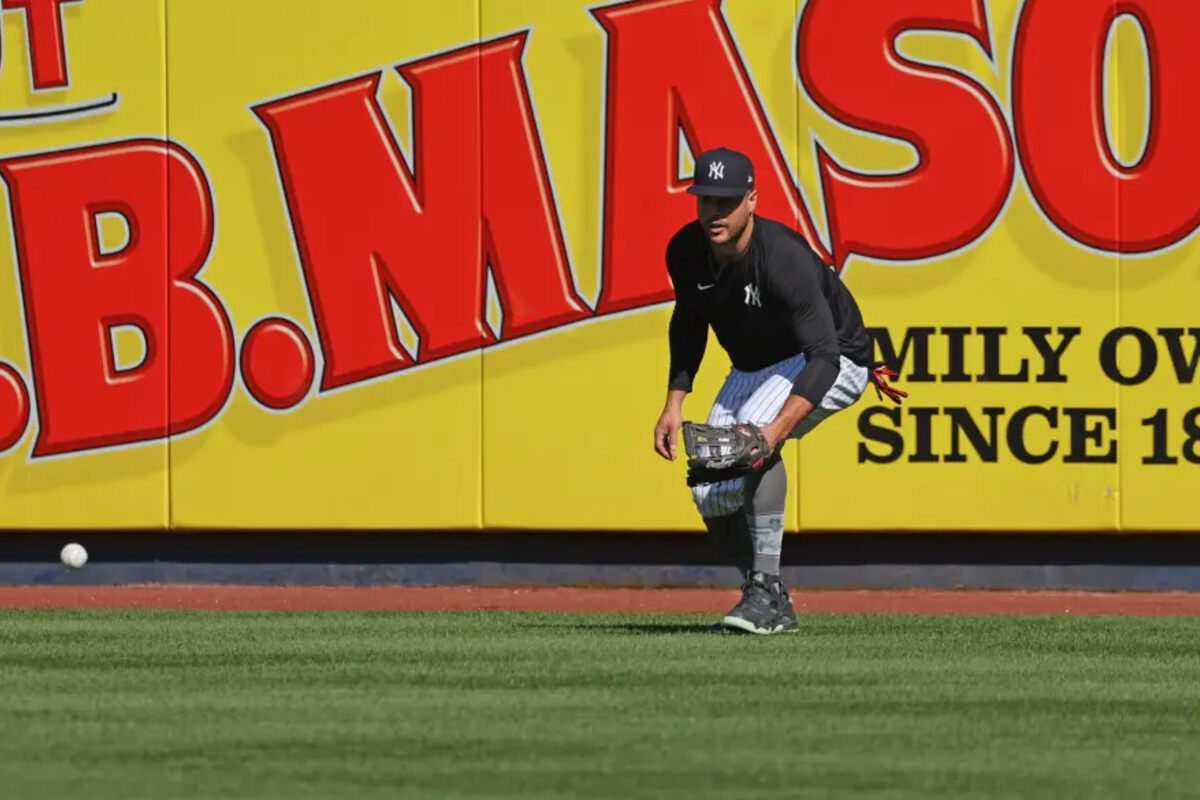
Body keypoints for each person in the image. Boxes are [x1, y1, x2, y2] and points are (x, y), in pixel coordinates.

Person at [652, 146, 902, 634]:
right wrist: (674, 402)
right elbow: (688, 322)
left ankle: (764, 593)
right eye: (706, 200)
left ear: (752, 201)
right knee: (710, 488)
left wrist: (772, 433)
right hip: (755, 366)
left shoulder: (783, 259)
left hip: (834, 360)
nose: (715, 212)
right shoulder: (685, 251)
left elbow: (826, 355)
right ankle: (767, 597)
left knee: (750, 446)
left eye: (727, 201)